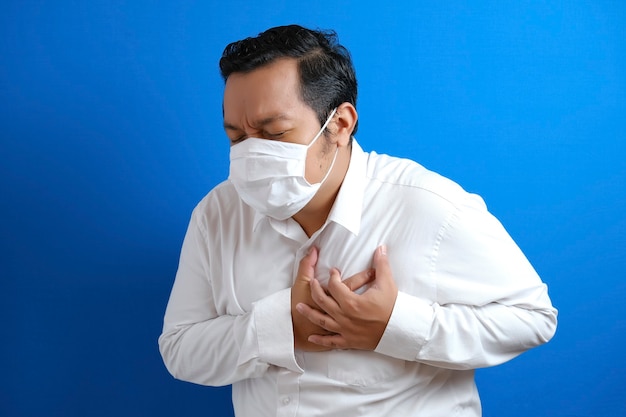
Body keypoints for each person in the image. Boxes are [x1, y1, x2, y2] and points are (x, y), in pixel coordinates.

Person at [158, 24, 557, 416]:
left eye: (274, 132)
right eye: (237, 138)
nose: (251, 155)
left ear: (340, 124)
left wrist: (393, 327)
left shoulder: (430, 207)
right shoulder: (217, 215)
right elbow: (179, 349)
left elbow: (532, 318)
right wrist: (282, 329)